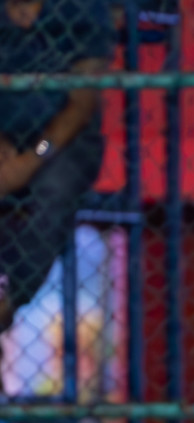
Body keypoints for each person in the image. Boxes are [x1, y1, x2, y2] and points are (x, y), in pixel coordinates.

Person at [0, 0, 113, 334]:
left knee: (57, 186)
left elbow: (82, 103)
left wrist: (33, 158)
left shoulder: (81, 8)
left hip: (55, 146)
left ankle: (10, 295)